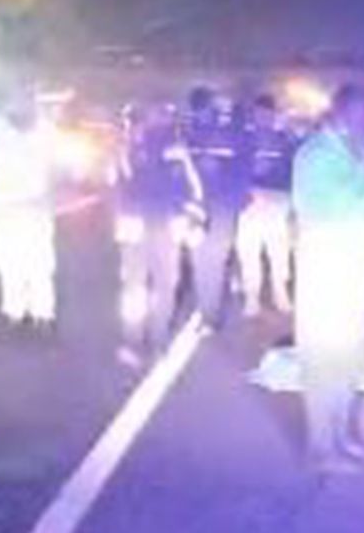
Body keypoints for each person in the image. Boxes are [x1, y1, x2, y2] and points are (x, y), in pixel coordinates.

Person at [293, 84, 364, 474]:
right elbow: (330, 207)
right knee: (325, 358)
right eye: (363, 114)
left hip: (357, 268)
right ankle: (321, 447)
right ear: (343, 113)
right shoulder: (316, 154)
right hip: (328, 268)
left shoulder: (359, 151)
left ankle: (340, 433)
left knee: (353, 355)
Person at [115, 102, 204, 365]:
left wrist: (121, 220)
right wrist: (194, 221)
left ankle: (133, 341)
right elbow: (193, 190)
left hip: (136, 226)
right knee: (163, 285)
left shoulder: (128, 148)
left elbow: (117, 188)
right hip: (165, 224)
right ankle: (157, 341)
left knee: (135, 287)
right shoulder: (177, 150)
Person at [0, 96, 58, 334]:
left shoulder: (39, 140)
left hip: (28, 212)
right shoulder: (5, 143)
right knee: (16, 266)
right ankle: (23, 312)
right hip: (18, 213)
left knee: (32, 266)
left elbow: (48, 177)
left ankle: (35, 312)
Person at [184, 87, 251, 328]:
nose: (201, 113)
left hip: (223, 205)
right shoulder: (187, 135)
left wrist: (222, 173)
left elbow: (242, 167)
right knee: (200, 258)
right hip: (197, 207)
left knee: (215, 257)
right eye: (197, 109)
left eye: (204, 108)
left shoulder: (229, 133)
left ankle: (210, 313)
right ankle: (207, 310)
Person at [236, 95, 297, 317]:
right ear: (253, 115)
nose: (263, 118)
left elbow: (291, 170)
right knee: (248, 250)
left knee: (279, 251)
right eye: (259, 114)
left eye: (267, 114)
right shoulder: (244, 139)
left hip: (276, 200)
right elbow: (234, 169)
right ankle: (251, 296)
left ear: (273, 116)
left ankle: (280, 293)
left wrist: (287, 199)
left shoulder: (283, 140)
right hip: (249, 202)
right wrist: (248, 181)